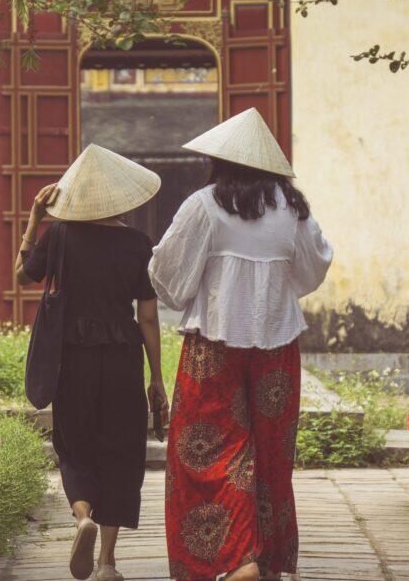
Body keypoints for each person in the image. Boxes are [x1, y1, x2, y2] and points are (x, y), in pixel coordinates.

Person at [149, 108, 333, 581]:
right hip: (277, 348)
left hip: (213, 348)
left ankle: (235, 559)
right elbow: (313, 271)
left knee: (204, 452)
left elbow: (167, 275)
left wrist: (205, 288)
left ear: (221, 160)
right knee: (271, 453)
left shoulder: (204, 205)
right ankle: (267, 563)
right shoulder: (293, 209)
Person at [16, 144, 170, 581]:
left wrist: (34, 220)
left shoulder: (61, 235)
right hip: (122, 360)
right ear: (121, 196)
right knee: (120, 453)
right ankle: (107, 562)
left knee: (75, 444)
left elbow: (21, 275)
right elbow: (148, 315)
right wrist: (156, 378)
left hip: (74, 359)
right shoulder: (139, 244)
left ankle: (81, 514)